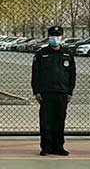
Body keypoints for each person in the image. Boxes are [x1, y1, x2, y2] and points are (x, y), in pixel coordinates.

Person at [32, 26, 75, 156]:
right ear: (48, 37)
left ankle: (58, 147)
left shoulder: (67, 54)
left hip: (62, 92)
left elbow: (72, 75)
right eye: (52, 35)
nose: (55, 38)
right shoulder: (41, 54)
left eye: (57, 36)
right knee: (46, 121)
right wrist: (36, 91)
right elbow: (35, 74)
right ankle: (46, 147)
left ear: (62, 37)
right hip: (46, 92)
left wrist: (70, 92)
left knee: (59, 120)